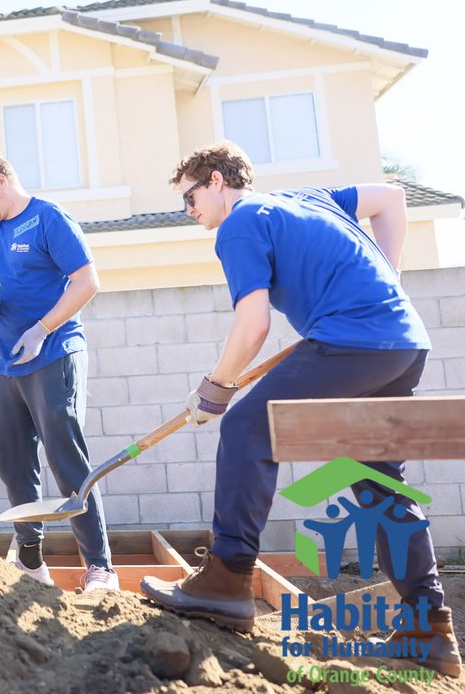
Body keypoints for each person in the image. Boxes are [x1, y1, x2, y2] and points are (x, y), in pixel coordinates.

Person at [139, 142, 459, 678]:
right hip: (402, 344)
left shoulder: (238, 225)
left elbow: (254, 324)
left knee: (246, 428)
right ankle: (430, 629)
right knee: (379, 482)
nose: (188, 210)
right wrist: (388, 278)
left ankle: (227, 579)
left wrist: (216, 388)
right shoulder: (311, 199)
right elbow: (392, 199)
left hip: (351, 343)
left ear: (216, 181)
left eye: (190, 198)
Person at [0, 152, 118, 592]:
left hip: (52, 353)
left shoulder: (49, 219)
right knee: (12, 462)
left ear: (4, 181)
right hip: (9, 362)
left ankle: (100, 567)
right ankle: (31, 562)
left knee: (66, 460)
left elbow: (87, 282)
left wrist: (43, 328)